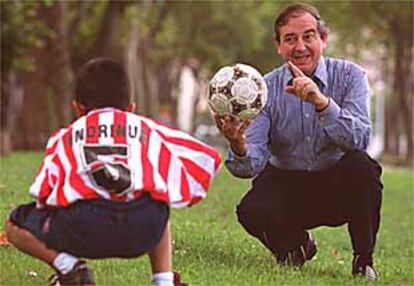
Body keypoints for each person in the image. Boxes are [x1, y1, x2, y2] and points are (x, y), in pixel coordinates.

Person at [5, 58, 221, 286]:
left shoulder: (65, 136)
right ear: (131, 109)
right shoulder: (147, 129)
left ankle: (70, 268)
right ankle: (163, 281)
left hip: (83, 228)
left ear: (77, 108)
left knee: (15, 225)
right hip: (144, 228)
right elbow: (206, 158)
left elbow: (43, 191)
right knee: (158, 192)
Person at [214, 3, 383, 280]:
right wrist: (238, 144)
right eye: (290, 39)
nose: (301, 46)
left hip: (337, 184)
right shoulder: (263, 90)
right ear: (278, 46)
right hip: (288, 184)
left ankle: (363, 261)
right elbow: (249, 166)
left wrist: (322, 103)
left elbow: (360, 139)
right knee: (250, 210)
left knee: (362, 167)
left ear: (323, 40)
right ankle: (296, 247)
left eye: (309, 36)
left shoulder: (351, 76)